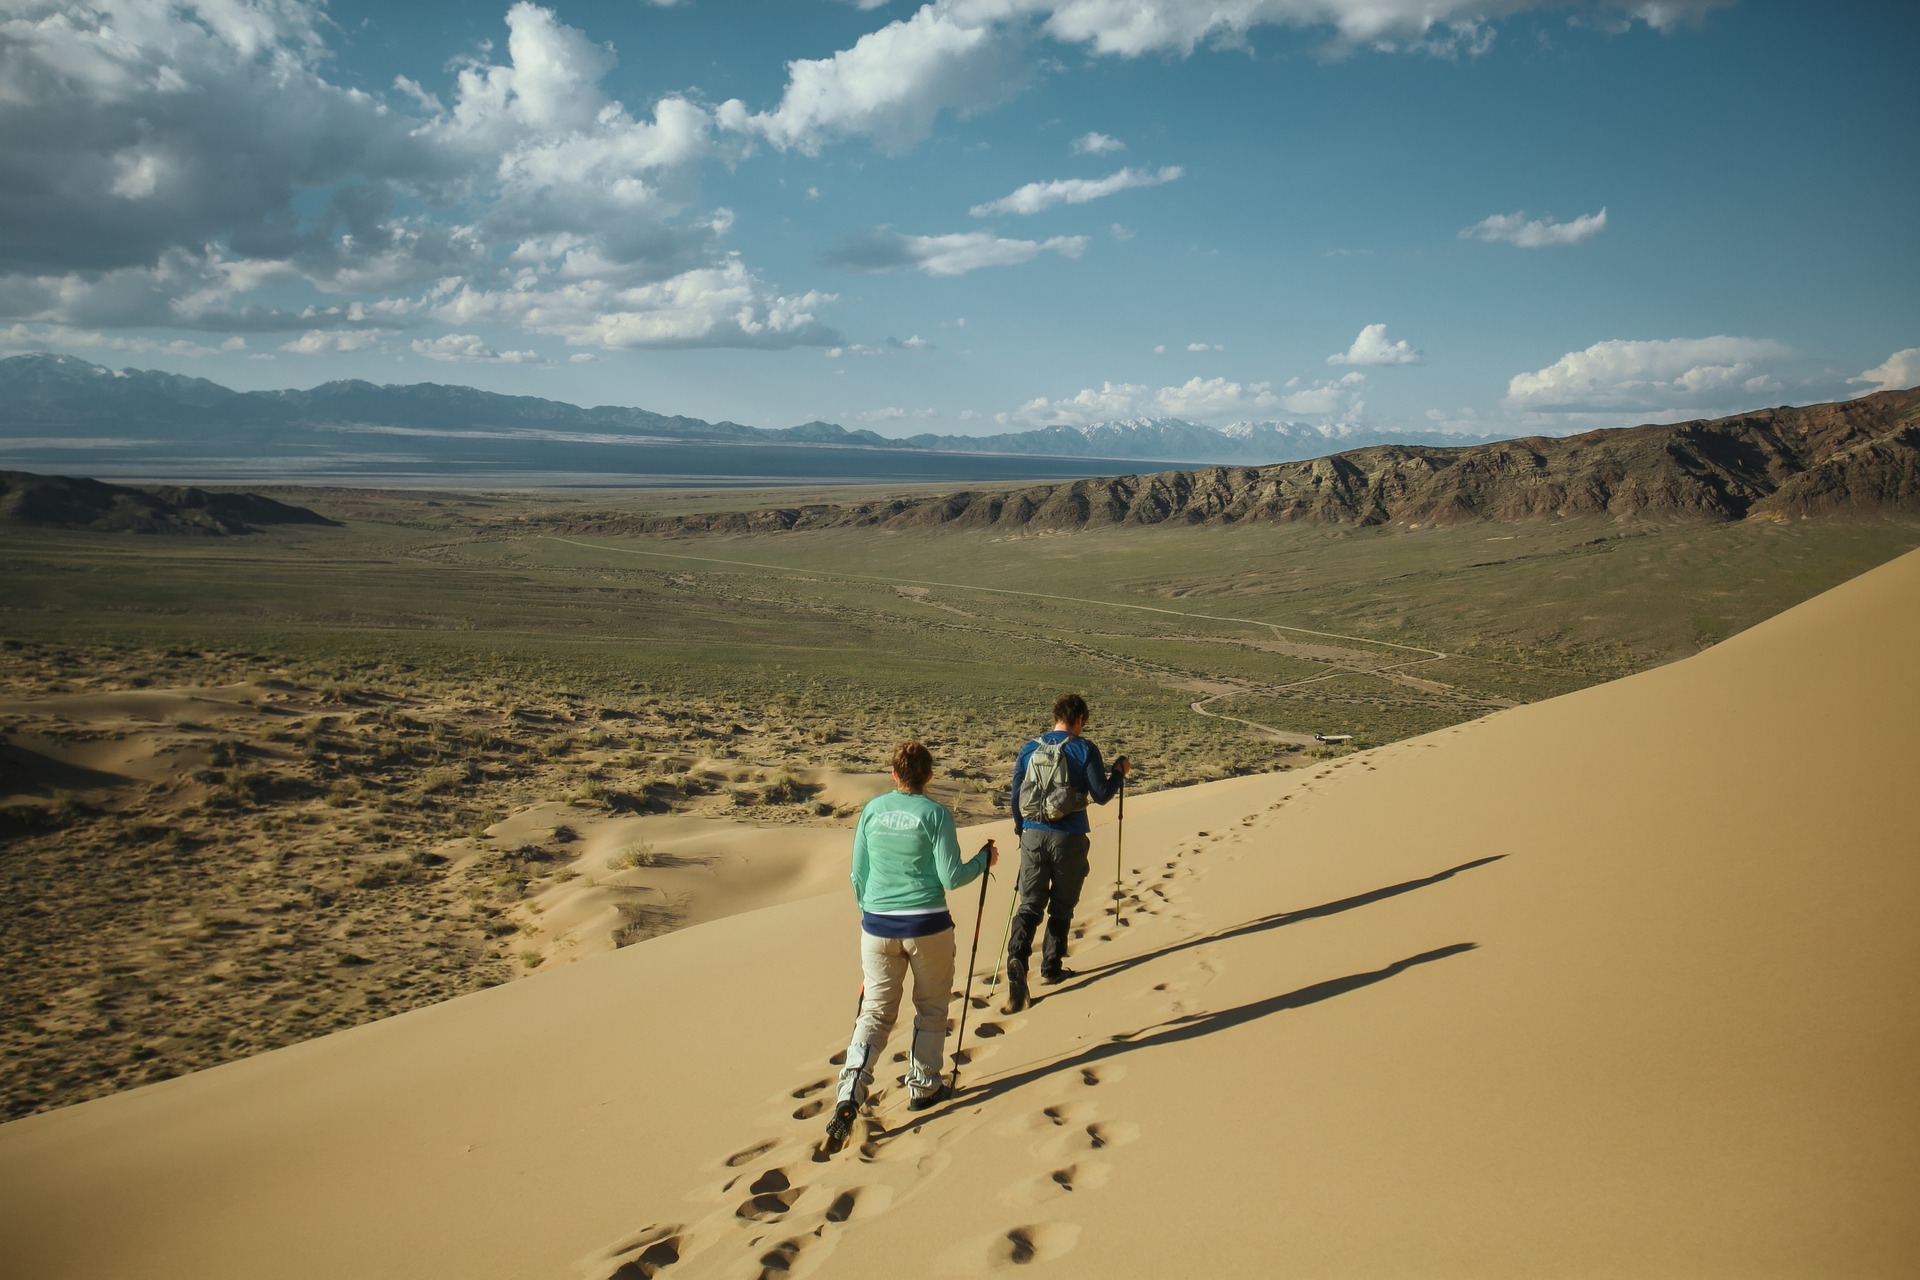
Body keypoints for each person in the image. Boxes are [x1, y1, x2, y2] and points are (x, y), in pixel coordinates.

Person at [827, 741, 997, 1143]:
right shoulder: (936, 815)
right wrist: (982, 861)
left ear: (893, 773)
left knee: (874, 1014)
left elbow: (857, 875)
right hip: (928, 926)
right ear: (929, 776)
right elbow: (952, 877)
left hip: (878, 928)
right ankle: (923, 1087)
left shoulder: (871, 811)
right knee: (931, 1008)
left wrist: (870, 923)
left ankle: (849, 1093)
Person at [1002, 693, 1130, 1014]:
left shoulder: (1029, 748)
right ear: (1080, 720)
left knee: (1030, 903)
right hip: (1068, 837)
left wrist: (1023, 830)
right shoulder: (1083, 748)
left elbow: (1016, 795)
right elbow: (1100, 795)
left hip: (1032, 835)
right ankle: (1051, 966)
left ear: (1055, 715)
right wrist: (1117, 773)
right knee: (1061, 904)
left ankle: (1018, 956)